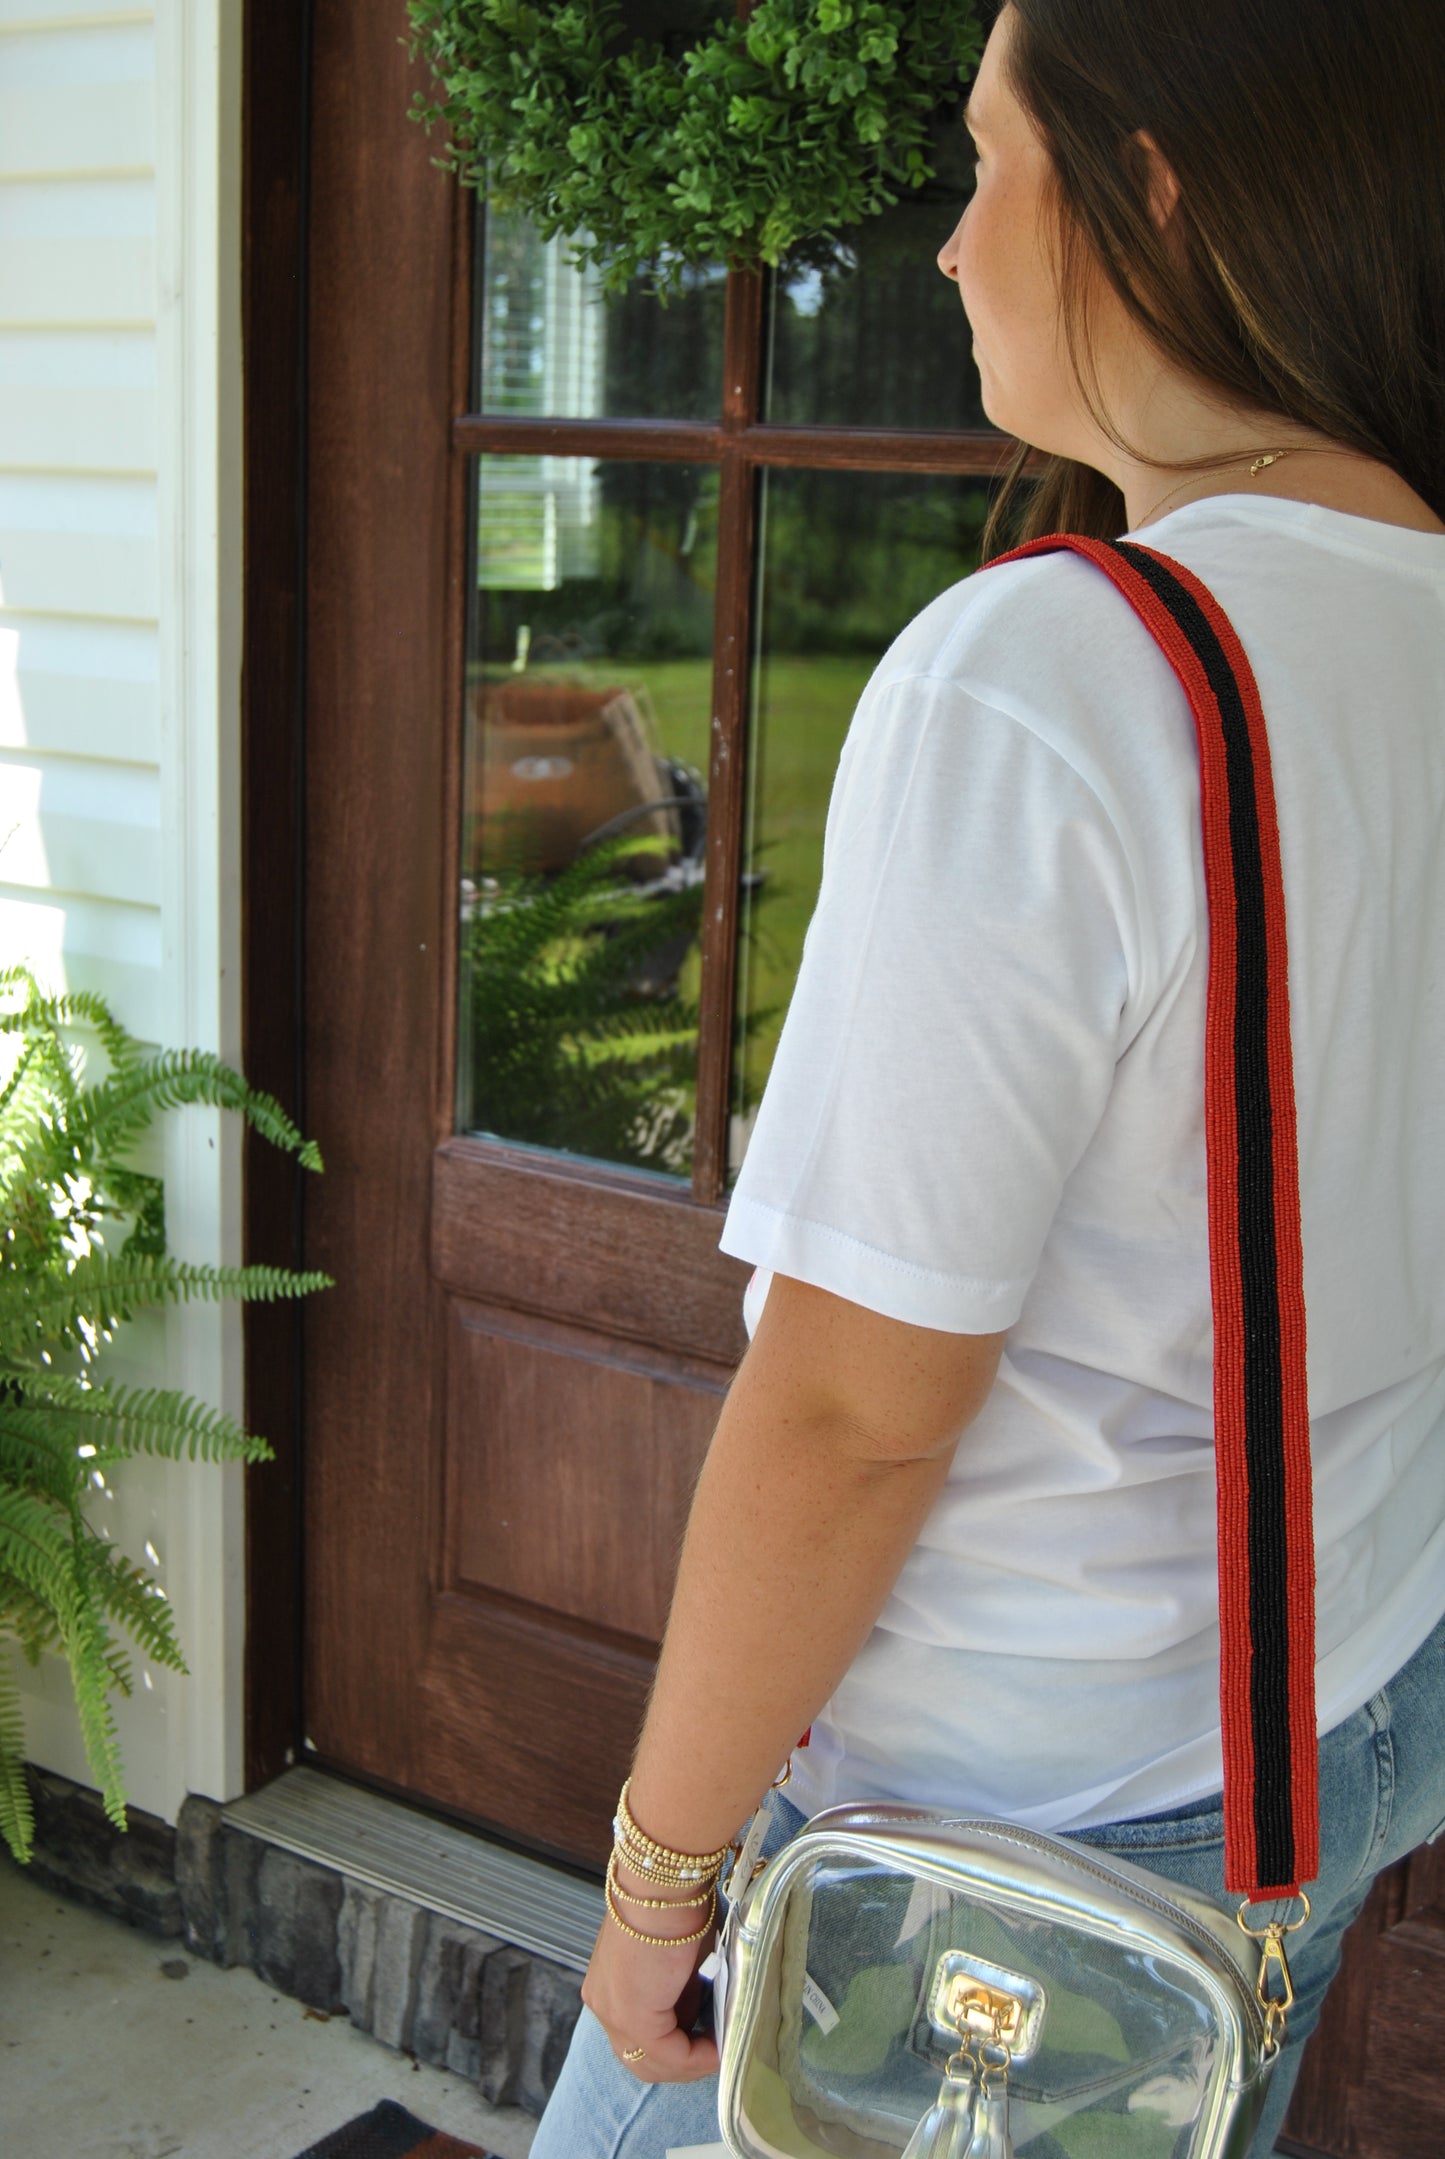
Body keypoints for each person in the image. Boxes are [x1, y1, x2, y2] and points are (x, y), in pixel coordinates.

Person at [530, 2, 1445, 2152]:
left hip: (1010, 1839)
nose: (942, 249)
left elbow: (855, 1409)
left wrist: (662, 1874)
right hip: (1339, 1713)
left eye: (982, 164)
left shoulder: (1057, 672)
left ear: (1155, 190)